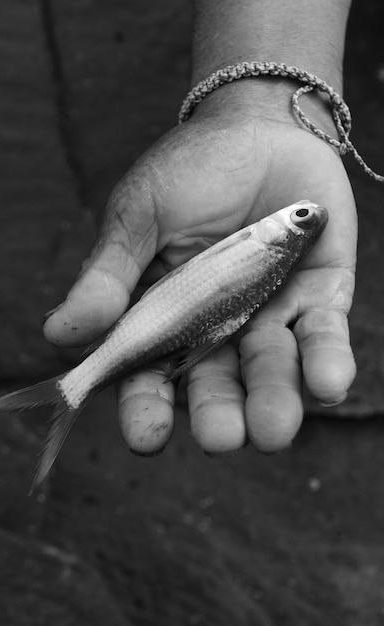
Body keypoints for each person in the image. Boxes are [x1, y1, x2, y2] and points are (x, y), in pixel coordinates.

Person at [42, 0, 357, 457]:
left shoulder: (265, 247)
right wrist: (255, 107)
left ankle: (74, 386)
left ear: (277, 237)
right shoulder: (269, 255)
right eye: (301, 217)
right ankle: (76, 386)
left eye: (300, 217)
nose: (300, 211)